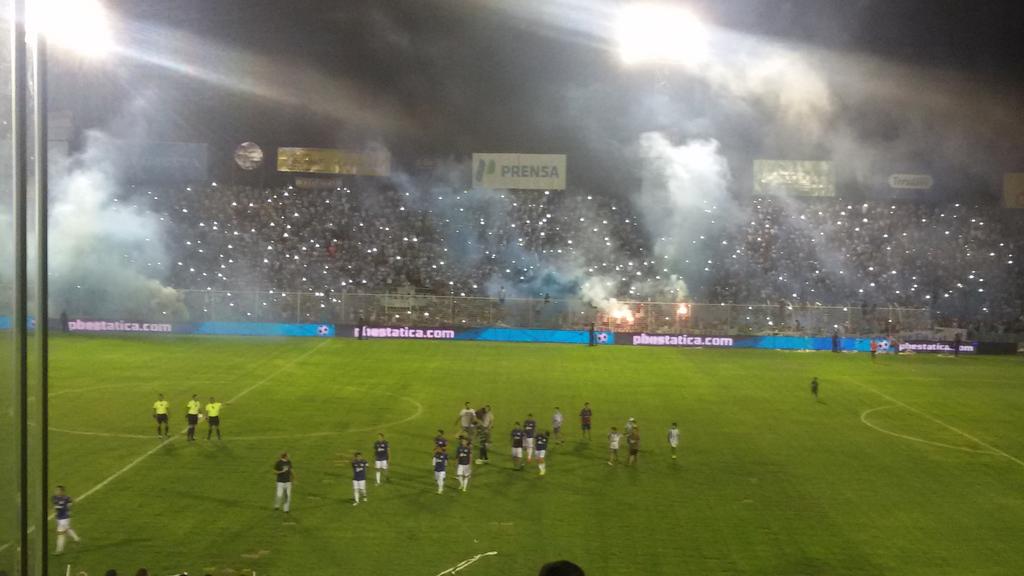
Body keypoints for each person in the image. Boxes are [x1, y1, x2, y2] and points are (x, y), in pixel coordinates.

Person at [53, 485, 81, 554]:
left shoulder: (66, 498)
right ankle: (77, 539)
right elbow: (55, 506)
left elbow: (73, 501)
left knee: (61, 533)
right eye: (56, 490)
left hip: (65, 518)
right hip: (59, 518)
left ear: (62, 491)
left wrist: (68, 507)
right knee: (66, 530)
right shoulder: (55, 498)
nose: (56, 491)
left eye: (58, 490)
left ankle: (59, 550)